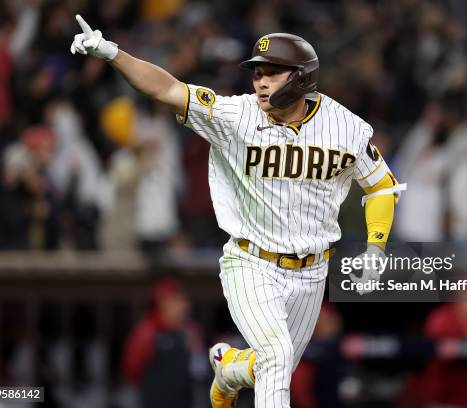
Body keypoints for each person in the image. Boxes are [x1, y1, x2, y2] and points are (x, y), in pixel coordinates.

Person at [71, 16, 404, 408]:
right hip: (252, 262)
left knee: (272, 365)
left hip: (313, 272)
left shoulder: (345, 126)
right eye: (257, 74)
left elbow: (382, 186)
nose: (260, 82)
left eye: (271, 73)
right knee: (277, 359)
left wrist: (375, 247)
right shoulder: (237, 116)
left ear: (301, 77)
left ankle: (228, 368)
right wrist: (113, 54)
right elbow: (168, 89)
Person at [122, 278, 200, 408]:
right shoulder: (147, 331)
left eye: (182, 301)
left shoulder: (190, 331)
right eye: (175, 301)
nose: (182, 307)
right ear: (161, 304)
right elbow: (132, 369)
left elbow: (200, 368)